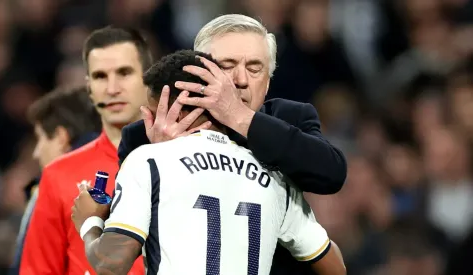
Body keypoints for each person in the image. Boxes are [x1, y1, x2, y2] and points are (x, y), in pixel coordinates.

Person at [72, 50, 346, 275]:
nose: (150, 124)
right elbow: (334, 266)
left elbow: (111, 264)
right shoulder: (274, 177)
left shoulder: (148, 161)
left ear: (174, 109)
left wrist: (90, 222)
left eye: (153, 113)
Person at [118, 14, 346, 195]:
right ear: (200, 72)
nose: (241, 80)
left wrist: (238, 116)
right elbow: (124, 227)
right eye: (227, 65)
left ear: (267, 83)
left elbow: (331, 174)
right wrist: (161, 158)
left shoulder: (291, 117)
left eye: (255, 69)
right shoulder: (149, 135)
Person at [20, 26, 154, 275]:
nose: (112, 88)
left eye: (124, 73)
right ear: (89, 88)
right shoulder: (58, 175)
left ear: (148, 78)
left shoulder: (182, 163)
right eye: (100, 76)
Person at [10, 85, 102, 275]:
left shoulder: (52, 185)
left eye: (40, 138)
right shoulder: (125, 170)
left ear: (61, 137)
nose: (36, 152)